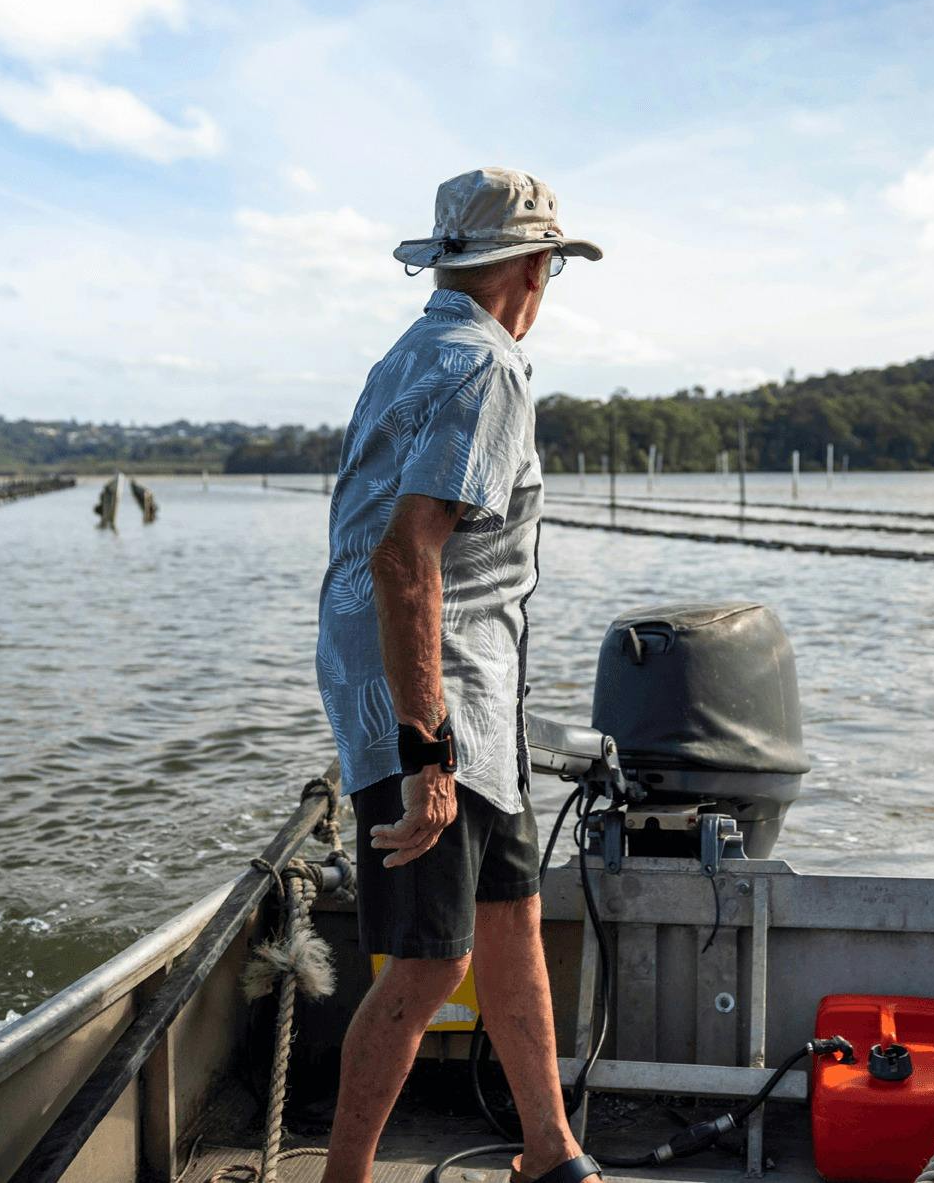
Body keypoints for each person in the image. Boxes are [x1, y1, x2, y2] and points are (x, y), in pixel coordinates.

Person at [314, 168, 603, 1183]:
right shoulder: (486, 367)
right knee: (435, 959)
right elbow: (405, 556)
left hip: (460, 691)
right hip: (430, 700)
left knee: (511, 917)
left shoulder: (409, 353)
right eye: (550, 268)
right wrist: (425, 751)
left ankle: (549, 1150)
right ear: (531, 267)